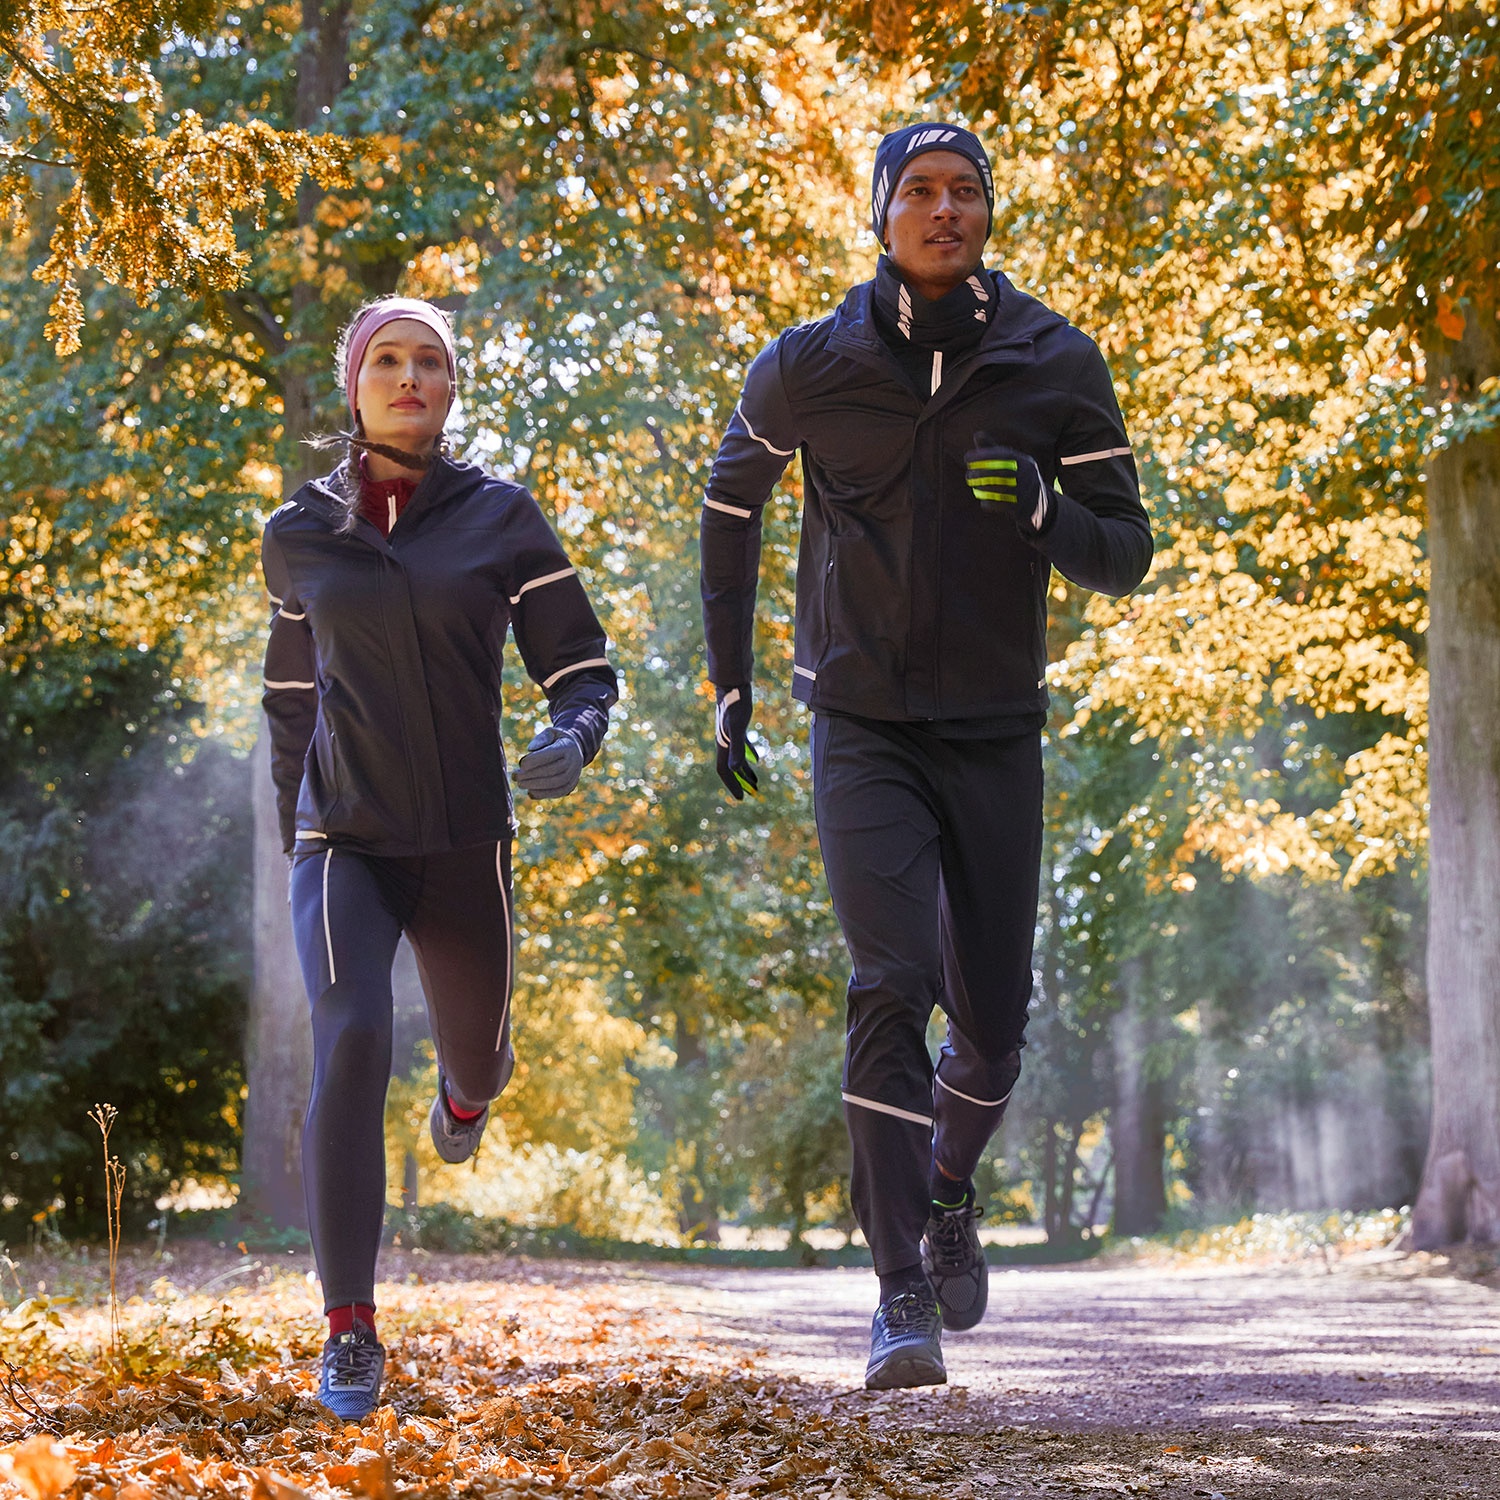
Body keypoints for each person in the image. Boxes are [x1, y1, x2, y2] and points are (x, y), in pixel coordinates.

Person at [700, 124, 1153, 1389]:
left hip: (999, 728)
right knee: (889, 979)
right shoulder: (811, 364)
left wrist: (1054, 515)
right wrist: (729, 680)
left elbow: (1129, 552)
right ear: (881, 214)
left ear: (989, 213)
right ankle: (899, 1288)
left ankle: (948, 1185)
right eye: (920, 192)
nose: (943, 210)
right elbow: (731, 501)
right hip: (861, 723)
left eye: (965, 193)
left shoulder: (1055, 362)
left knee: (994, 1030)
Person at [261, 296, 618, 1420]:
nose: (409, 377)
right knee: (354, 1035)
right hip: (344, 839)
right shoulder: (298, 533)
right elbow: (286, 699)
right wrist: (292, 838)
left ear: (453, 389)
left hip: (466, 840)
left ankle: (465, 1100)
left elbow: (585, 671)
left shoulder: (502, 518)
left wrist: (571, 735)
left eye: (431, 363)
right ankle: (350, 1329)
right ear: (355, 383)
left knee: (481, 1062)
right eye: (388, 361)